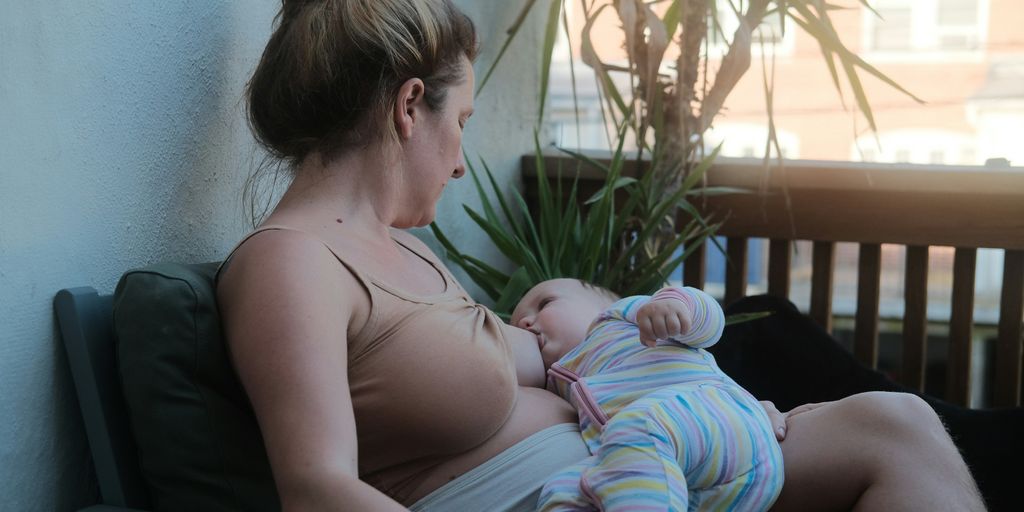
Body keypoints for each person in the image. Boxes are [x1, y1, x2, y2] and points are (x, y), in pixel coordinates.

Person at [216, 1, 987, 510]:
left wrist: (714, 408)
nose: (459, 163)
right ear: (411, 107)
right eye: (464, 122)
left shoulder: (410, 257)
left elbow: (577, 364)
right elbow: (315, 486)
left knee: (893, 423)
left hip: (635, 463)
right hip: (568, 493)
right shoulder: (292, 264)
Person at [510, 279, 783, 511]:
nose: (523, 321)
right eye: (513, 325)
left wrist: (677, 306)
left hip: (715, 423)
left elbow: (709, 323)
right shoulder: (555, 391)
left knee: (638, 427)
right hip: (702, 487)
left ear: (598, 305)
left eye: (544, 303)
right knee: (563, 487)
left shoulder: (621, 320)